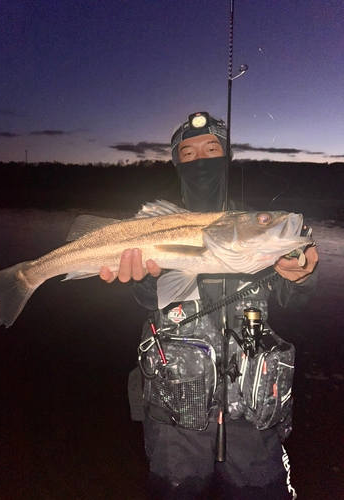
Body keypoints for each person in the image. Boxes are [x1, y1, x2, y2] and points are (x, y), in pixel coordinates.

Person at [100, 112, 318, 500]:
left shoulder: (254, 232)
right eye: (189, 152)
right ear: (177, 163)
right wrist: (144, 279)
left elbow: (293, 297)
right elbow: (150, 301)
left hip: (252, 407)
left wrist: (300, 274)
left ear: (227, 158)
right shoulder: (157, 223)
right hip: (174, 410)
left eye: (211, 149)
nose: (201, 160)